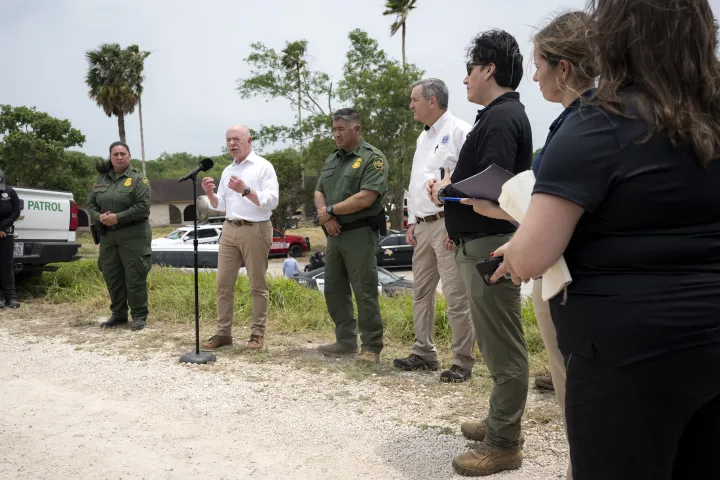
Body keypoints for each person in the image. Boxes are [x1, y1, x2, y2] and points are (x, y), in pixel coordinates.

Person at [490, 1, 720, 478]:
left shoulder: (600, 120)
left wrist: (515, 250)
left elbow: (533, 257)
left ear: (615, 35)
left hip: (627, 358)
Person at [459, 12, 597, 480]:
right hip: (524, 255)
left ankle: (505, 441)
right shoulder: (570, 121)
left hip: (516, 251)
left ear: (563, 68)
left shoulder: (574, 125)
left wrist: (470, 200)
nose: (534, 73)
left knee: (513, 355)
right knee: (518, 356)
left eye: (540, 63)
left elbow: (518, 196)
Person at [429, 30, 532, 476]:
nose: (465, 77)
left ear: (490, 69)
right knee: (493, 344)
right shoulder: (497, 116)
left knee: (503, 349)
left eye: (470, 68)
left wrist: (446, 191)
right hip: (481, 242)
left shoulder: (502, 118)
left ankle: (504, 443)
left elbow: (495, 185)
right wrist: (454, 207)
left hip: (493, 247)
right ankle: (499, 422)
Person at [392, 78, 476, 383]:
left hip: (446, 224)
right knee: (421, 293)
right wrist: (412, 220)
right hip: (423, 226)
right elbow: (418, 182)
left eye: (415, 100)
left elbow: (467, 181)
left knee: (455, 296)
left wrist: (457, 227)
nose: (411, 105)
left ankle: (463, 362)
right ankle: (424, 352)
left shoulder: (461, 132)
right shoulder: (422, 138)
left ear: (432, 101)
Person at [315, 108, 388, 364]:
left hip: (360, 234)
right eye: (334, 130)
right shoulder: (333, 159)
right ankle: (345, 341)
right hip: (334, 234)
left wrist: (331, 211)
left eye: (341, 129)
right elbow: (319, 190)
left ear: (356, 129)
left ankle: (371, 346)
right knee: (334, 288)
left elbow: (366, 197)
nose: (336, 134)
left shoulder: (372, 158)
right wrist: (326, 217)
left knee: (364, 290)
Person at [201, 125, 279, 351]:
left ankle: (257, 335)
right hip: (229, 229)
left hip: (255, 229)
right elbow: (222, 205)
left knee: (257, 284)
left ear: (249, 140)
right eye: (228, 140)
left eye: (236, 139)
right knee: (223, 285)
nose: (232, 144)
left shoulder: (263, 167)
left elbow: (272, 201)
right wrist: (209, 194)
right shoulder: (227, 171)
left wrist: (246, 190)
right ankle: (223, 334)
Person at [87, 142, 152, 331]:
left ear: (129, 156)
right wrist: (98, 217)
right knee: (112, 275)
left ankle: (139, 316)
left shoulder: (139, 180)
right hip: (108, 237)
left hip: (133, 235)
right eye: (115, 154)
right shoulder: (101, 181)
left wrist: (117, 218)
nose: (119, 157)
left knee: (135, 275)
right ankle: (118, 315)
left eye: (123, 153)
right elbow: (90, 204)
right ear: (111, 157)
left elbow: (142, 207)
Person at [0, 168, 21, 309]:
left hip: (6, 233)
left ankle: (11, 298)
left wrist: (2, 226)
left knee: (7, 265)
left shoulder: (9, 192)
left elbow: (16, 211)